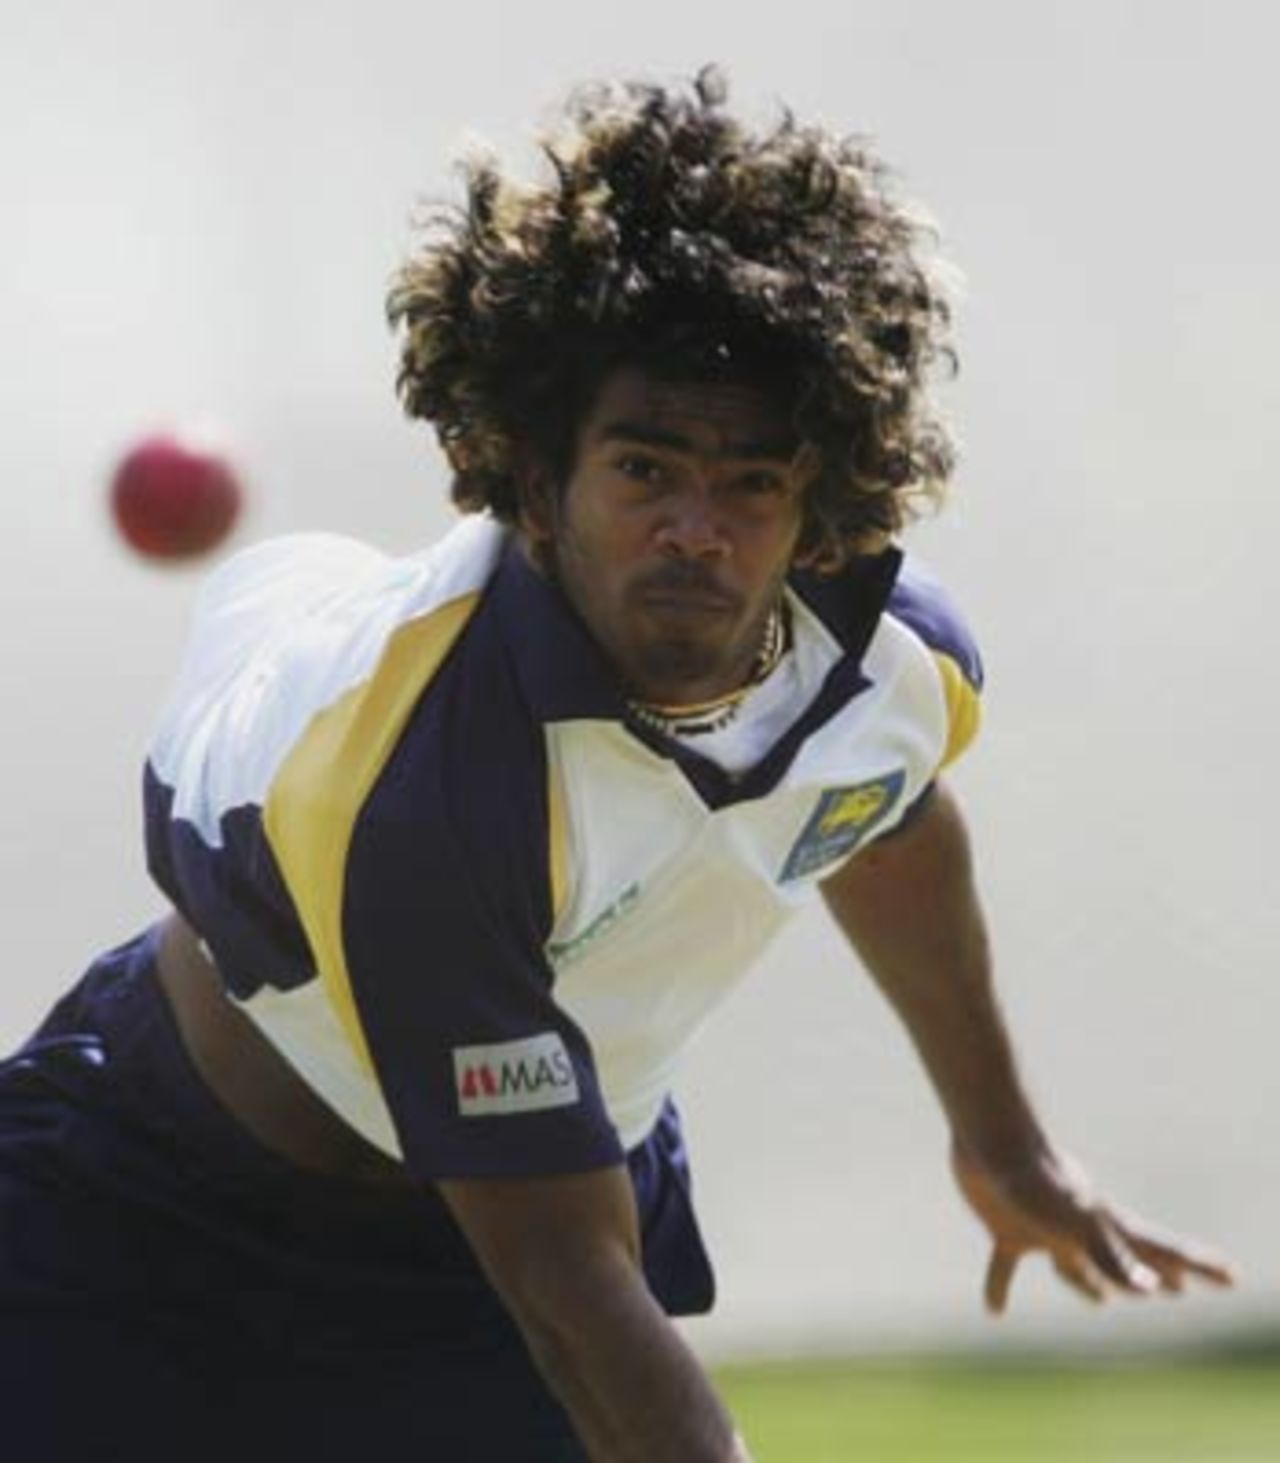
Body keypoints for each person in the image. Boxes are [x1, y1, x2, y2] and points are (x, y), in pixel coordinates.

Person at [0, 69, 1231, 1462]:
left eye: (752, 482)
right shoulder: (427, 783)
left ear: (820, 509)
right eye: (646, 470)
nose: (698, 528)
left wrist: (1003, 1143)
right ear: (538, 486)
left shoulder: (898, 666)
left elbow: (884, 820)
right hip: (147, 1219)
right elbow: (574, 1295)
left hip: (504, 1234)